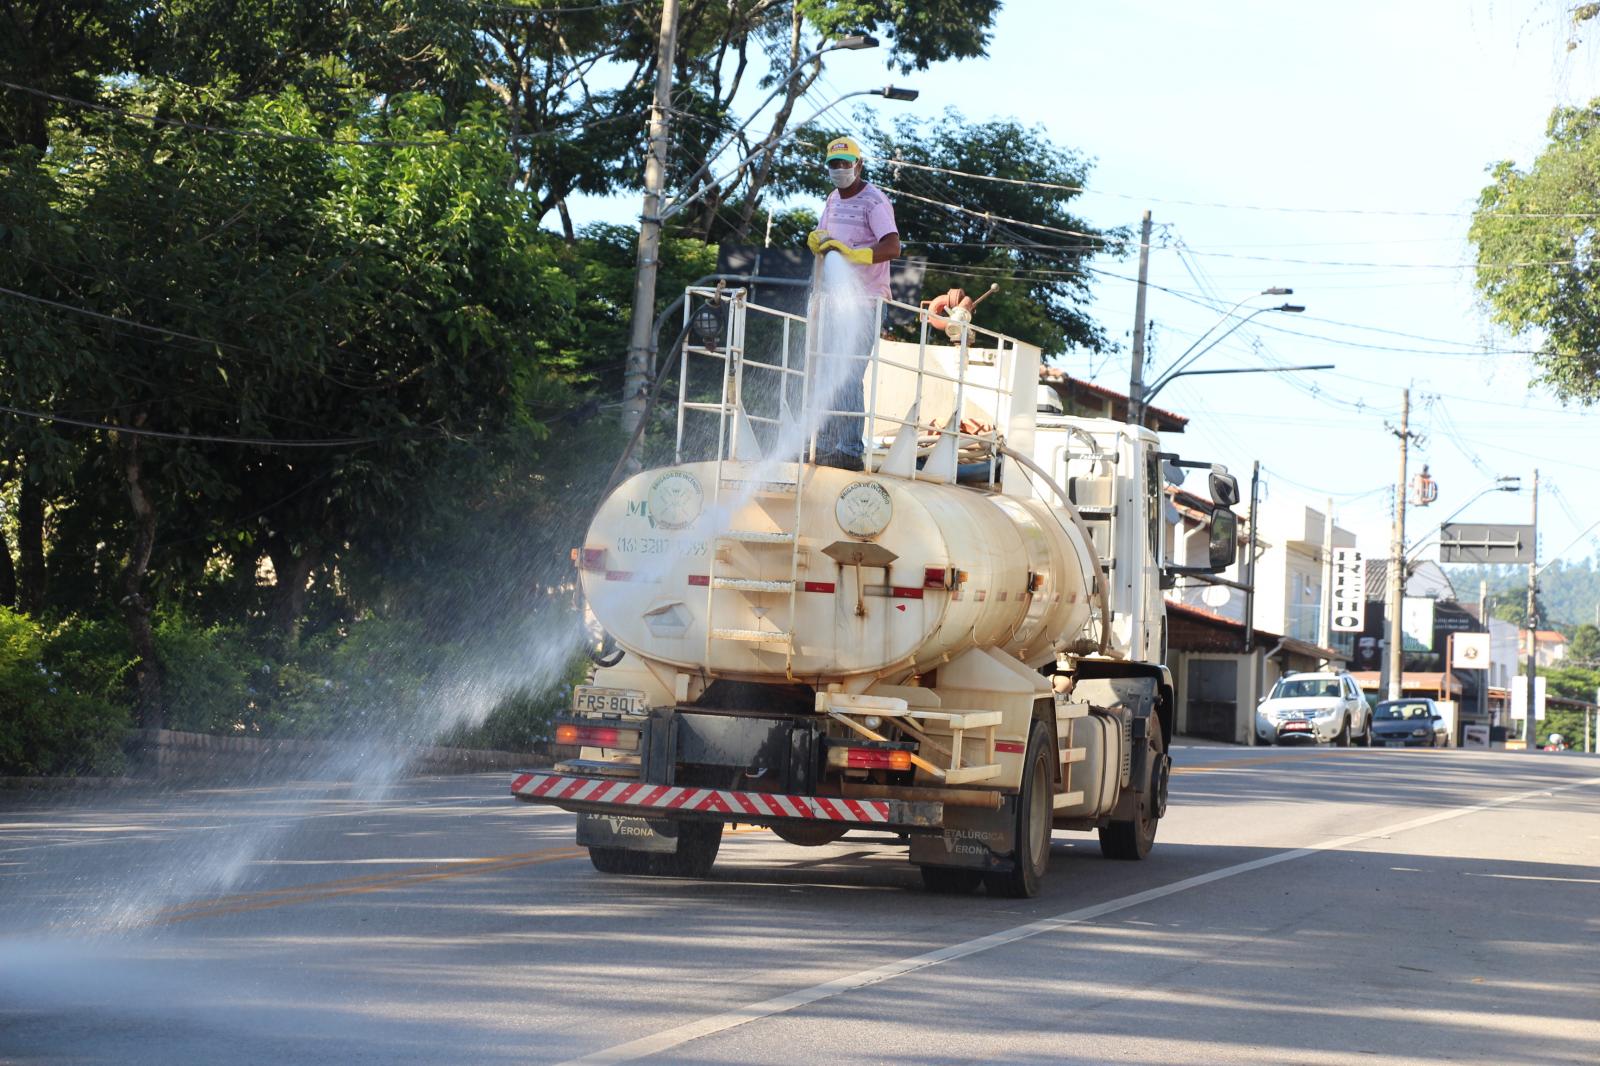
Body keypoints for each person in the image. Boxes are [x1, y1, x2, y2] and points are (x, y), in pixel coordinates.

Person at [804, 136, 901, 470]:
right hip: (834, 302)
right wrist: (818, 243)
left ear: (859, 165)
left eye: (846, 164)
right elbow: (824, 242)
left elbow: (892, 247)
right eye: (834, 164)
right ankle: (827, 444)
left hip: (866, 302)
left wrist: (857, 254)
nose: (840, 170)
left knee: (847, 374)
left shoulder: (874, 202)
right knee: (826, 371)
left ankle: (848, 449)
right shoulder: (832, 200)